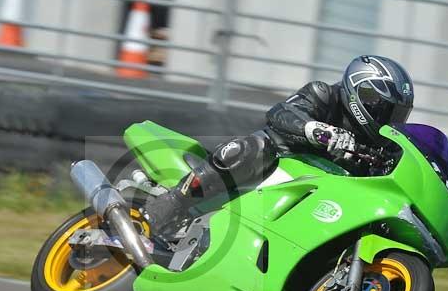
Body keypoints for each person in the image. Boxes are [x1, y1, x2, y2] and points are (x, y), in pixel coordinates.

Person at [143, 55, 415, 237]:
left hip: (310, 199)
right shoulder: (324, 94)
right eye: (387, 111)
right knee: (254, 148)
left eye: (398, 115)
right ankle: (167, 207)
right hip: (273, 168)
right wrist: (315, 129)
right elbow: (280, 113)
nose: (390, 120)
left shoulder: (381, 148)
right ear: (365, 96)